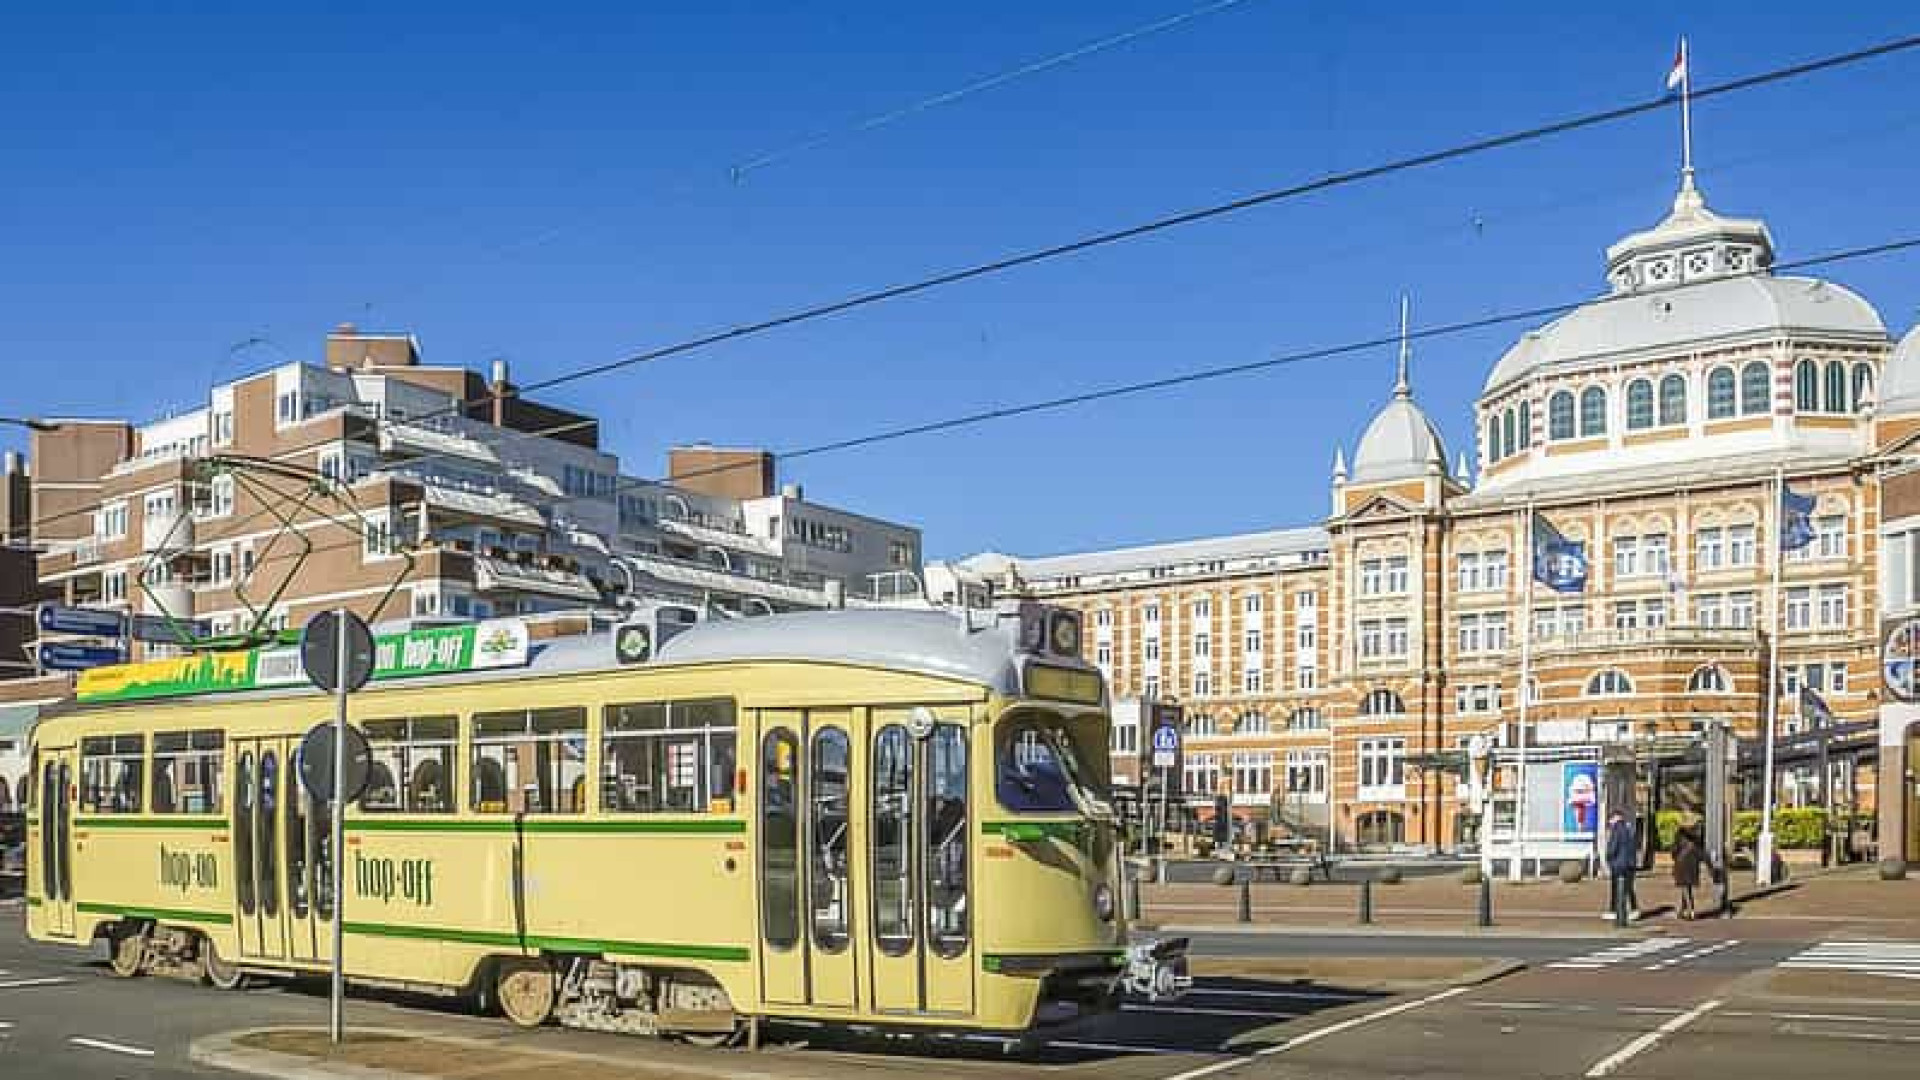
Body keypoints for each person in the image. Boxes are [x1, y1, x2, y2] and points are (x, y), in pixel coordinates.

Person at [1604, 809, 1640, 922]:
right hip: (1629, 863)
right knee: (1629, 888)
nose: (1609, 822)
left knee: (1616, 888)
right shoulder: (1629, 829)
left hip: (1618, 863)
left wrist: (1608, 857)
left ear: (1615, 818)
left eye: (1610, 819)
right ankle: (1634, 909)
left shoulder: (1616, 829)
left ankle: (1614, 911)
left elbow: (1612, 847)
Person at [1671, 820, 1704, 920]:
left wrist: (1674, 855)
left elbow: (1674, 849)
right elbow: (1700, 852)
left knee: (1685, 887)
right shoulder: (1697, 836)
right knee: (1686, 887)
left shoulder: (1680, 834)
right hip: (1693, 864)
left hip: (1682, 863)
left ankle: (1691, 910)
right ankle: (1682, 910)